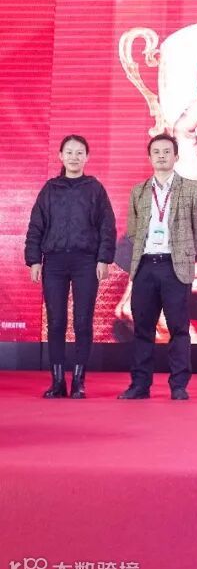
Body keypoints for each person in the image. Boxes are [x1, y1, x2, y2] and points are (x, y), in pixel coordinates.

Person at [117, 134, 197, 400]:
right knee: (142, 329)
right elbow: (133, 231)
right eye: (156, 152)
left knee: (179, 328)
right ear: (149, 157)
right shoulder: (139, 191)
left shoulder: (192, 189)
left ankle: (179, 385)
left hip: (174, 267)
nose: (161, 156)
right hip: (145, 266)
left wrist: (184, 253)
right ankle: (140, 384)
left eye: (166, 151)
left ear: (176, 156)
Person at [25, 135, 116, 399]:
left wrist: (103, 259)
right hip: (53, 262)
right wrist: (34, 260)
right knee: (55, 321)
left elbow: (107, 227)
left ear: (87, 157)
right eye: (69, 152)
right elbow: (36, 226)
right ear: (60, 156)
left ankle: (78, 381)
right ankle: (57, 382)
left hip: (86, 262)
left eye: (79, 153)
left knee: (83, 320)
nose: (74, 157)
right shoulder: (50, 189)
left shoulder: (95, 189)